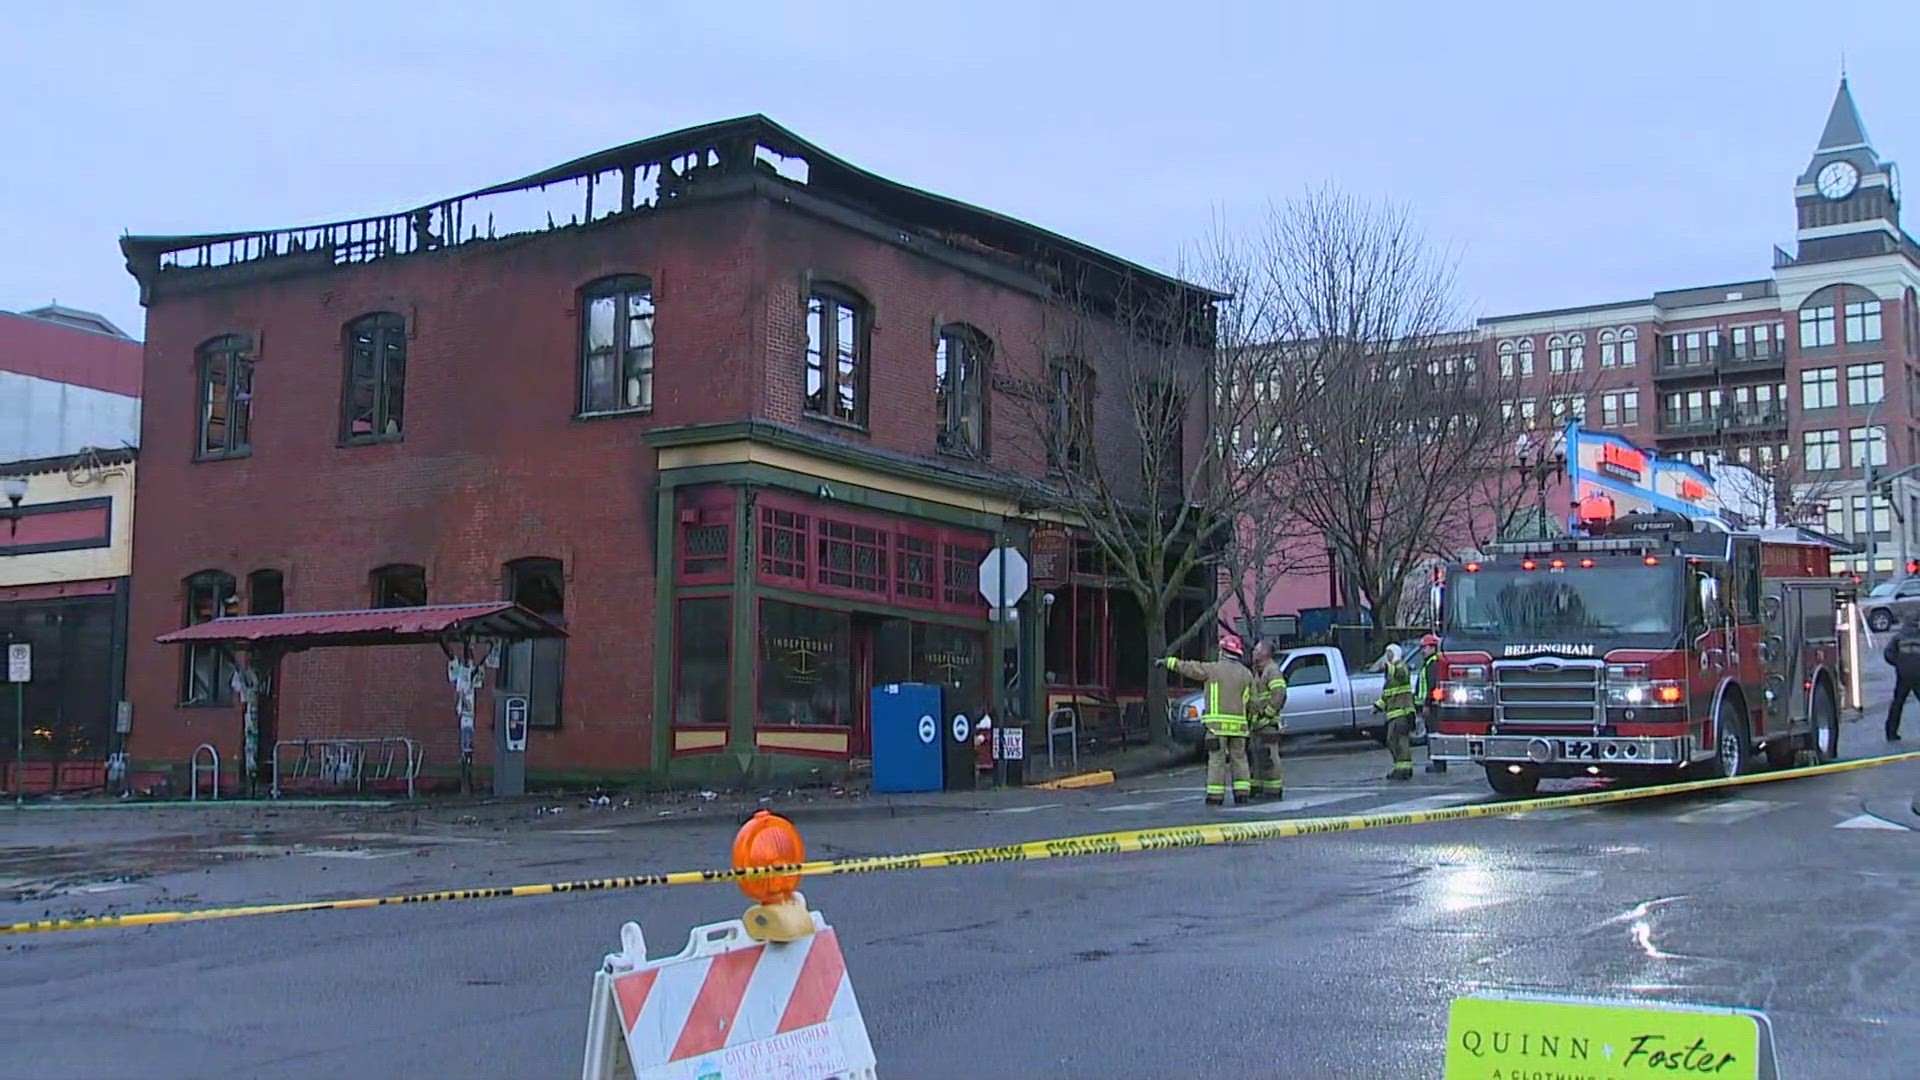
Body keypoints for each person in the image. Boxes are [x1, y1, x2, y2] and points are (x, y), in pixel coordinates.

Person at [1165, 635, 1257, 806]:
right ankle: (1242, 793)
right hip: (1239, 728)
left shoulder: (1213, 669)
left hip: (1217, 728)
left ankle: (1215, 796)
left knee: (1216, 760)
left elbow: (1190, 668)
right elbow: (1253, 702)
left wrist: (1169, 662)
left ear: (1223, 651)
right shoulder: (1247, 674)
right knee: (1240, 759)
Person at [1245, 640, 1288, 801]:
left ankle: (1273, 789)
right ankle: (1257, 786)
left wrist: (1267, 715)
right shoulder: (1259, 671)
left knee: (1269, 756)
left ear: (1264, 653)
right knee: (1257, 755)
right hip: (1257, 724)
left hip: (1267, 724)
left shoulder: (1272, 671)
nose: (1253, 652)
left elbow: (1279, 694)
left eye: (1256, 650)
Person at [1372, 643, 1417, 780]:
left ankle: (1403, 769)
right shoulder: (1390, 675)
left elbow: (1401, 674)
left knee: (1397, 741)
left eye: (1389, 653)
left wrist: (1387, 666)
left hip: (1402, 712)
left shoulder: (1400, 666)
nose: (1387, 656)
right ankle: (1402, 767)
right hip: (1394, 714)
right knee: (1394, 741)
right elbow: (1387, 695)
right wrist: (1377, 707)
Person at [1882, 613, 1920, 741]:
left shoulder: (1899, 636)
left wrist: (1899, 663)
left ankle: (1891, 732)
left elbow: (1888, 654)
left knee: (1897, 703)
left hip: (1903, 674)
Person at [1414, 634, 1447, 774]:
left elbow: (1432, 687)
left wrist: (1427, 704)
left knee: (1433, 735)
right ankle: (1437, 762)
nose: (1423, 650)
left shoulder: (1433, 664)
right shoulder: (1430, 663)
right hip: (1430, 705)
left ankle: (1438, 764)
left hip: (1432, 707)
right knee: (1432, 734)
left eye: (1425, 647)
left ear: (1433, 648)